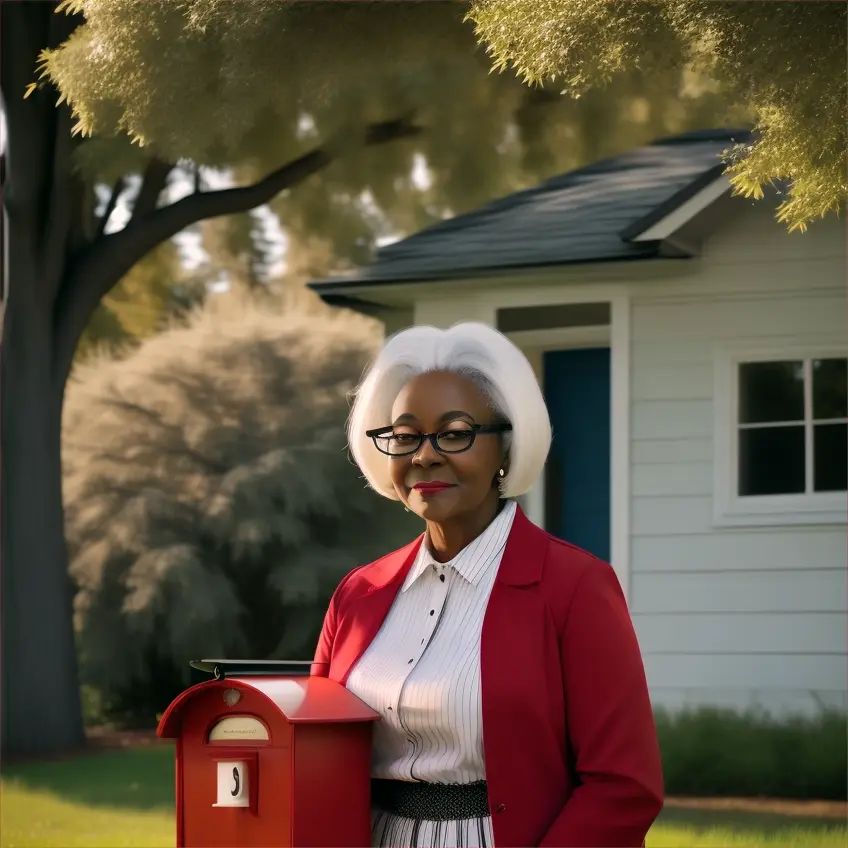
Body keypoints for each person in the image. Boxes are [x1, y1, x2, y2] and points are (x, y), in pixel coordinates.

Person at [312, 322, 664, 848]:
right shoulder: (358, 594)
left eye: (455, 433)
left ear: (505, 448)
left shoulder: (576, 588)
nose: (425, 455)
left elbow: (623, 786)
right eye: (405, 436)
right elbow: (314, 750)